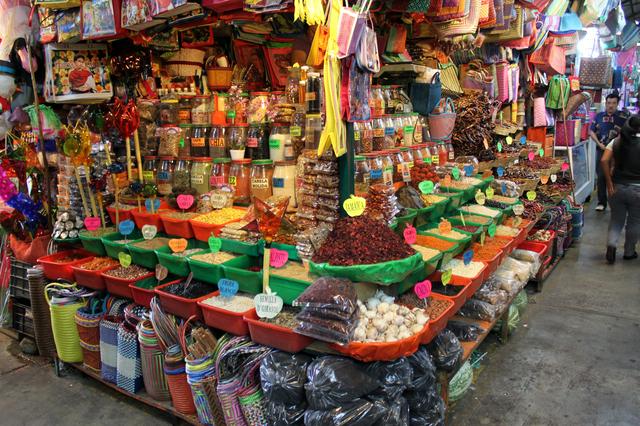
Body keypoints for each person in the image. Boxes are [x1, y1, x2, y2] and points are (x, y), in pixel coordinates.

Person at [601, 115, 640, 264]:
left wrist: (609, 182)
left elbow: (604, 160)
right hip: (637, 189)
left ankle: (611, 245)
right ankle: (629, 252)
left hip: (616, 187)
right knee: (635, 222)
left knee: (616, 220)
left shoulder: (616, 141)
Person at [589, 92, 627, 211]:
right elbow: (591, 131)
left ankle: (616, 204)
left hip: (617, 152)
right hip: (602, 150)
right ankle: (602, 202)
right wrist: (598, 143)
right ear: (606, 103)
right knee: (601, 177)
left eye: (614, 103)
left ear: (617, 103)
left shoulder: (623, 117)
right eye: (609, 103)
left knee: (616, 177)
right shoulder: (599, 116)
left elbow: (628, 132)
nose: (611, 105)